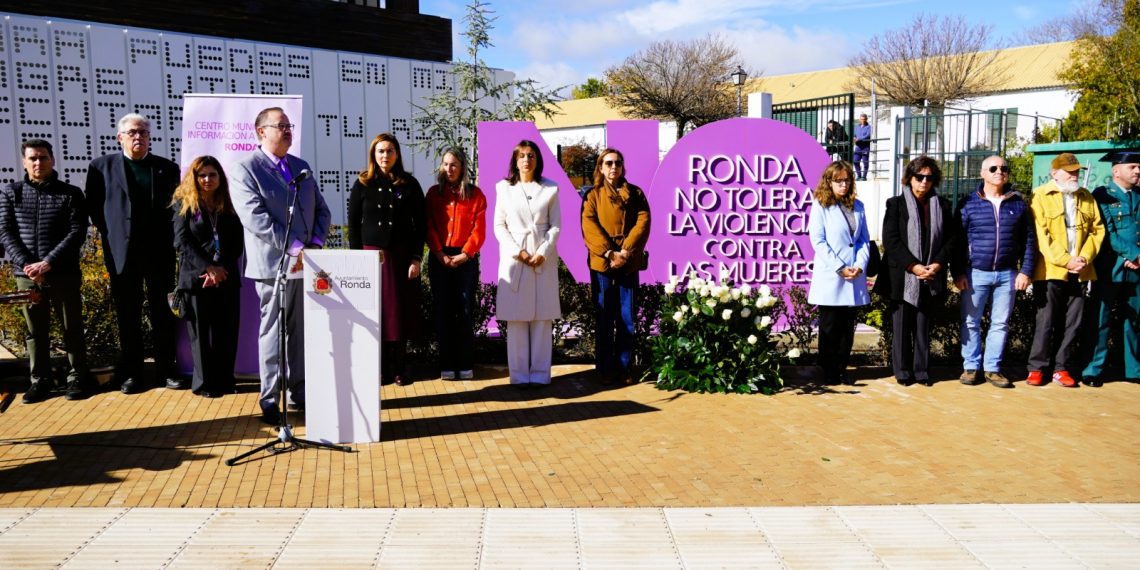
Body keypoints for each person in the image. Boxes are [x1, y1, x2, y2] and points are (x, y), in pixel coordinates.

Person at [231, 107, 330, 424]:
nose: (288, 130)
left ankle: (300, 392)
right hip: (272, 266)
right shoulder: (246, 169)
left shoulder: (300, 167)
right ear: (261, 131)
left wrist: (314, 245)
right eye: (280, 126)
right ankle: (270, 398)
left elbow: (322, 210)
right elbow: (255, 218)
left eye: (289, 125)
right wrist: (294, 247)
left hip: (304, 265)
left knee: (299, 331)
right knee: (272, 332)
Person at [85, 113, 180, 394]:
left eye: (144, 132)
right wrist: (115, 236)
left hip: (159, 253)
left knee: (163, 312)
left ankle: (166, 370)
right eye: (132, 132)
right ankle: (133, 374)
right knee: (128, 315)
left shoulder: (166, 168)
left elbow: (175, 210)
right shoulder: (101, 167)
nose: (138, 137)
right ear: (120, 137)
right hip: (122, 254)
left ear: (150, 137)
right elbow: (95, 208)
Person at [0, 139, 89, 403]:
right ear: (24, 162)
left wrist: (48, 262)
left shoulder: (71, 193)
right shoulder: (10, 192)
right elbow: (5, 232)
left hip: (63, 272)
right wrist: (29, 266)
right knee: (34, 331)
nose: (38, 163)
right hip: (26, 275)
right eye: (33, 158)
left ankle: (77, 378)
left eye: (43, 157)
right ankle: (40, 381)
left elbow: (77, 232)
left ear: (53, 160)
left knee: (71, 327)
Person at [347, 133, 425, 386]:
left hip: (401, 258)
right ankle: (379, 369)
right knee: (375, 313)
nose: (385, 156)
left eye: (390, 151)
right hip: (372, 257)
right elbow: (353, 224)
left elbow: (419, 226)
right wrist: (359, 258)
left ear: (397, 154)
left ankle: (400, 368)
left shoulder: (409, 184)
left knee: (398, 314)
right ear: (373, 154)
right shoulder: (362, 183)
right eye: (380, 151)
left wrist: (416, 258)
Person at [952, 155, 1036, 389]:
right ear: (983, 173)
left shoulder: (1018, 204)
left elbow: (1029, 240)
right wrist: (958, 272)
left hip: (1007, 274)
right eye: (993, 168)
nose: (1000, 171)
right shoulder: (968, 203)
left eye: (1004, 168)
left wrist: (1026, 271)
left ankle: (992, 368)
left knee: (1000, 323)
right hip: (975, 272)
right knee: (970, 322)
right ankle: (971, 366)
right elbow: (957, 241)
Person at [873, 156, 957, 386]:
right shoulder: (895, 204)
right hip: (902, 276)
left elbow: (951, 239)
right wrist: (914, 266)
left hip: (932, 275)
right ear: (910, 178)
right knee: (901, 326)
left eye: (929, 178)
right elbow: (892, 241)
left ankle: (921, 371)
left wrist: (937, 264)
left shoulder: (943, 205)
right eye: (919, 177)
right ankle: (902, 371)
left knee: (923, 325)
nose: (924, 182)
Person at [1026, 152, 1104, 388]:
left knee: (1073, 322)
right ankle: (1037, 368)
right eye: (1069, 171)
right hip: (1051, 269)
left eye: (1076, 171)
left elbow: (1096, 230)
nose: (1074, 175)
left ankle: (1062, 368)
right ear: (1054, 173)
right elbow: (1041, 234)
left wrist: (1084, 257)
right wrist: (1065, 260)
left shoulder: (1086, 196)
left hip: (1081, 269)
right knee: (1046, 320)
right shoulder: (1040, 196)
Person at [171, 156, 244, 398]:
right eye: (202, 175)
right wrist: (207, 267)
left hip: (225, 276)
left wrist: (221, 268)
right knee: (200, 334)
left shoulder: (229, 204)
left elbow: (237, 242)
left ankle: (225, 379)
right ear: (194, 178)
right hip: (195, 279)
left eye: (212, 175)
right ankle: (204, 383)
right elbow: (181, 241)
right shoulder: (183, 203)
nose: (207, 179)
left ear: (220, 178)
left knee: (227, 331)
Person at [494, 140, 562, 388]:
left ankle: (541, 375)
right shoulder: (503, 189)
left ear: (537, 159)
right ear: (515, 161)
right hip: (516, 260)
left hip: (543, 259)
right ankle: (520, 376)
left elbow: (555, 226)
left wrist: (543, 251)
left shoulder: (550, 188)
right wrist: (518, 252)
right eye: (521, 156)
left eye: (531, 155)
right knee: (517, 319)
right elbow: (499, 226)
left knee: (543, 319)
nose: (526, 160)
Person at [581, 148, 651, 386]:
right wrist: (610, 252)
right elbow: (589, 226)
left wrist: (626, 251)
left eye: (618, 163)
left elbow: (643, 221)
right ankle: (604, 369)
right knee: (604, 317)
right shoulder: (592, 196)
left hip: (628, 263)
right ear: (600, 167)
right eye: (608, 163)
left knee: (627, 317)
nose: (613, 167)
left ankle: (623, 367)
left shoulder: (635, 193)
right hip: (603, 263)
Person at [806, 160, 870, 386]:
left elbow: (863, 240)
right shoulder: (820, 205)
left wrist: (860, 265)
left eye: (847, 180)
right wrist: (840, 267)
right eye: (838, 181)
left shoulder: (858, 206)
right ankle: (828, 370)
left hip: (854, 275)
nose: (843, 185)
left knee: (847, 328)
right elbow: (818, 241)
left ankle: (842, 369)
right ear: (829, 182)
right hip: (832, 275)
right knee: (830, 327)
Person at [425, 148, 486, 381]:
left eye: (454, 165)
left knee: (465, 310)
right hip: (440, 257)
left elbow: (479, 230)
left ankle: (464, 363)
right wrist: (439, 253)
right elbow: (428, 224)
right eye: (445, 164)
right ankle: (447, 364)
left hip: (465, 259)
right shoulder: (433, 194)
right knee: (443, 311)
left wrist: (466, 254)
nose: (449, 169)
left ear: (462, 168)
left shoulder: (476, 195)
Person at [1080, 150, 1140, 386]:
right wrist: (1134, 254)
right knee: (1100, 318)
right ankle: (1092, 369)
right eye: (1133, 167)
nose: (1138, 171)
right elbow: (1107, 233)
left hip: (1136, 269)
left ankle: (1134, 370)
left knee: (1134, 320)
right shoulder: (1102, 195)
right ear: (1116, 171)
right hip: (1110, 268)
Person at [853, 114, 872, 181]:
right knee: (855, 161)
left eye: (864, 119)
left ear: (866, 119)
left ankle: (864, 176)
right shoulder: (856, 127)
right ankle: (859, 175)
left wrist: (859, 139)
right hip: (858, 146)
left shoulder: (869, 127)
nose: (863, 120)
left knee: (865, 163)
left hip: (865, 147)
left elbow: (868, 135)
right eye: (861, 119)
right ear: (859, 119)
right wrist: (854, 138)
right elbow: (854, 134)